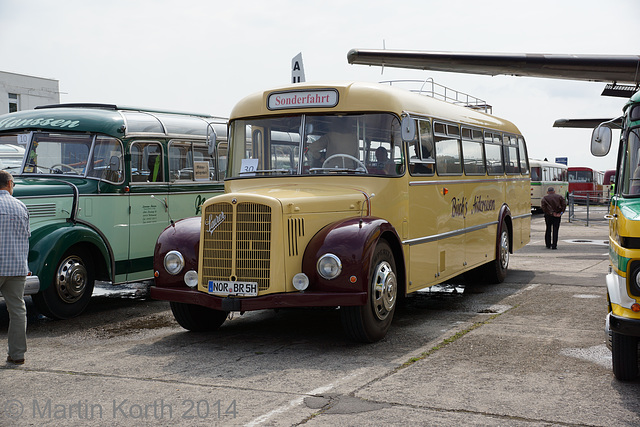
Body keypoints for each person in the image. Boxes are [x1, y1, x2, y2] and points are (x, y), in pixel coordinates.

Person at [0, 170, 30, 365]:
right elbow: (27, 236)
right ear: (10, 184)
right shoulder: (21, 206)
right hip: (17, 267)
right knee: (17, 310)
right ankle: (17, 355)